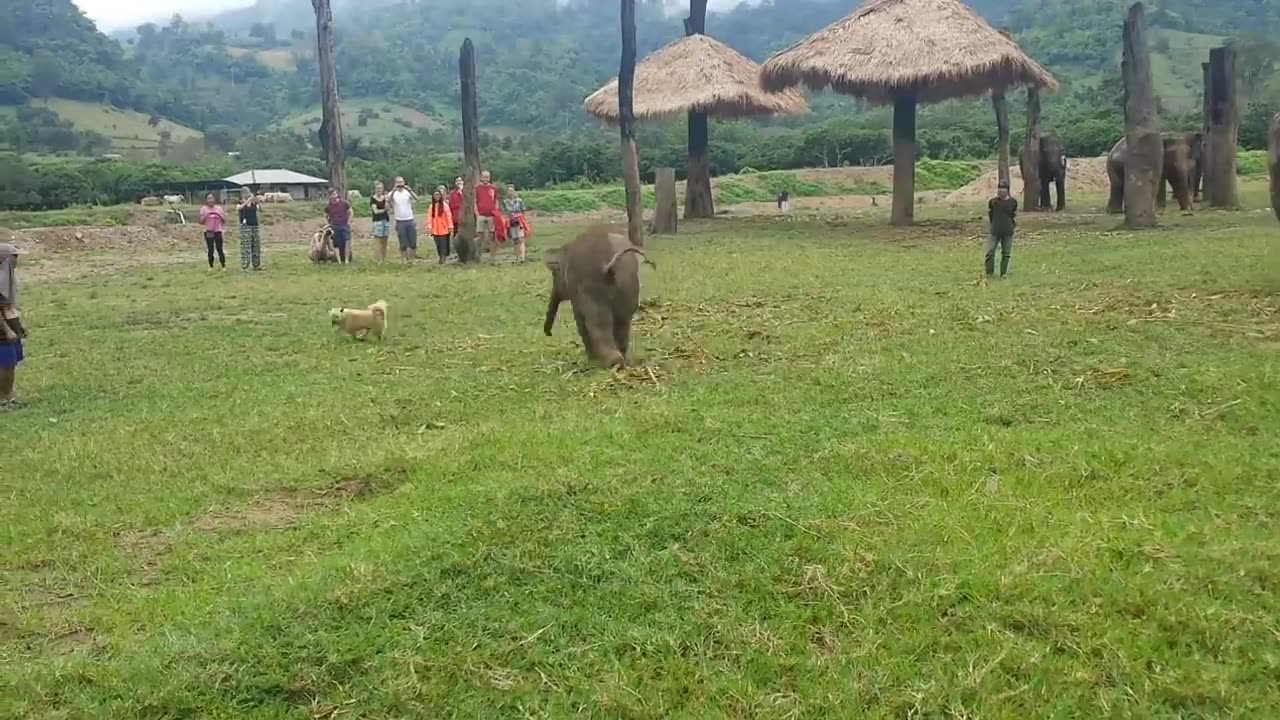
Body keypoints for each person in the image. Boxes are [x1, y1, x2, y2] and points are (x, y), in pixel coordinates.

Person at [0, 243, 27, 410]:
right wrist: (11, 329)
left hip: (6, 327)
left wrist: (18, 327)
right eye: (14, 257)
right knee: (5, 363)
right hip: (2, 329)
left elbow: (8, 307)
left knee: (9, 364)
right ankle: (3, 400)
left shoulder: (6, 279)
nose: (16, 260)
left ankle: (7, 397)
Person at [986, 178, 1018, 279]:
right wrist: (994, 224)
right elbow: (990, 215)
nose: (1001, 191)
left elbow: (1013, 214)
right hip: (995, 230)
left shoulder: (1013, 202)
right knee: (990, 252)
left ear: (1007, 190)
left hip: (1008, 230)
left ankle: (1003, 273)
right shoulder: (993, 202)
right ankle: (989, 273)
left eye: (1003, 189)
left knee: (1006, 253)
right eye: (999, 188)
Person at [388, 176, 419, 263]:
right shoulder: (392, 193)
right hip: (400, 220)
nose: (400, 184)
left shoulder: (407, 192)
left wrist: (410, 190)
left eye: (401, 182)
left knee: (413, 242)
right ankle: (404, 260)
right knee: (403, 243)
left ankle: (412, 260)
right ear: (395, 183)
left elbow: (417, 199)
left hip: (410, 219)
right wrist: (394, 189)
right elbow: (388, 200)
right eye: (398, 182)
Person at [503, 183, 532, 263]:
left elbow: (523, 211)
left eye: (512, 191)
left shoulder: (519, 201)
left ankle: (522, 256)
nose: (510, 192)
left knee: (520, 238)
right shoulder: (505, 202)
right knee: (515, 239)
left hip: (519, 220)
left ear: (514, 191)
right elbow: (504, 212)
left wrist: (522, 219)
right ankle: (517, 256)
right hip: (510, 221)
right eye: (509, 191)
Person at [199, 193, 227, 271]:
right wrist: (206, 216)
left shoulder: (218, 208)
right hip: (209, 231)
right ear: (206, 200)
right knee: (210, 249)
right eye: (209, 198)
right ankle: (211, 266)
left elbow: (224, 221)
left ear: (214, 199)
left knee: (219, 248)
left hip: (218, 230)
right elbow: (201, 222)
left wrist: (219, 215)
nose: (210, 200)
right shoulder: (203, 209)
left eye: (211, 198)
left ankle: (223, 266)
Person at [237, 189, 263, 271]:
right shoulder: (240, 203)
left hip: (254, 225)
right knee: (246, 247)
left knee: (256, 246)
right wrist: (247, 201)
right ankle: (245, 266)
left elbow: (261, 209)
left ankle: (256, 265)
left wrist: (257, 201)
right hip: (245, 227)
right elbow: (238, 209)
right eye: (246, 193)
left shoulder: (254, 203)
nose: (248, 194)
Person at [475, 170, 499, 257]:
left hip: (491, 215)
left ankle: (493, 256)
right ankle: (478, 255)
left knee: (492, 236)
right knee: (480, 236)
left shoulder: (493, 188)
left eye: (487, 177)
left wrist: (495, 211)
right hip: (481, 214)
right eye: (484, 177)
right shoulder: (477, 188)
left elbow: (496, 200)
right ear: (481, 177)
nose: (486, 179)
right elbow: (475, 201)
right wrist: (477, 214)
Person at [427, 188, 454, 264]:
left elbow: (449, 216)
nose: (437, 196)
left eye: (438, 195)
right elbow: (429, 218)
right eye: (435, 195)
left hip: (444, 229)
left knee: (443, 245)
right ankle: (440, 257)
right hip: (435, 230)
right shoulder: (431, 206)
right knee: (438, 245)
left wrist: (450, 227)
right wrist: (430, 228)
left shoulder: (445, 206)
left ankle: (443, 259)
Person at [325, 189, 353, 264]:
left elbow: (350, 211)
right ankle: (339, 260)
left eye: (335, 194)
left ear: (337, 194)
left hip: (344, 224)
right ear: (329, 196)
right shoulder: (328, 206)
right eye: (332, 195)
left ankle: (347, 260)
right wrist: (328, 224)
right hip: (335, 225)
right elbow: (325, 215)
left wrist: (349, 222)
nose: (334, 196)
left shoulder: (344, 203)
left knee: (347, 241)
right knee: (336, 243)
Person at [370, 181, 391, 262]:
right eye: (378, 188)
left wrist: (387, 201)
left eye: (381, 188)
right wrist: (384, 210)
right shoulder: (373, 199)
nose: (379, 190)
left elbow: (388, 208)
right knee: (378, 240)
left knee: (385, 240)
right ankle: (378, 259)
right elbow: (375, 211)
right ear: (375, 189)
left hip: (385, 220)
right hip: (377, 221)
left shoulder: (384, 198)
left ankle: (384, 258)